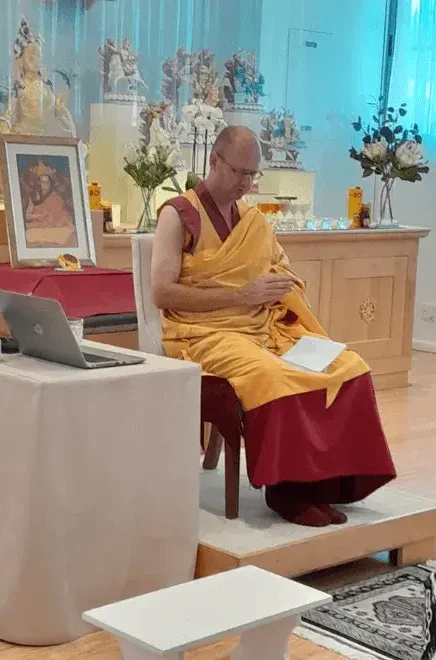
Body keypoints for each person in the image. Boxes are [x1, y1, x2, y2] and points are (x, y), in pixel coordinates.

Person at [152, 126, 396, 527]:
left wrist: (284, 285)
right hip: (204, 336)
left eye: (253, 175)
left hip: (263, 326)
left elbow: (279, 268)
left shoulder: (254, 221)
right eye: (239, 173)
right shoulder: (179, 215)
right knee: (275, 375)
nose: (247, 185)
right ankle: (287, 493)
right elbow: (163, 294)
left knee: (347, 366)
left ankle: (328, 486)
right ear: (213, 161)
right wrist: (241, 295)